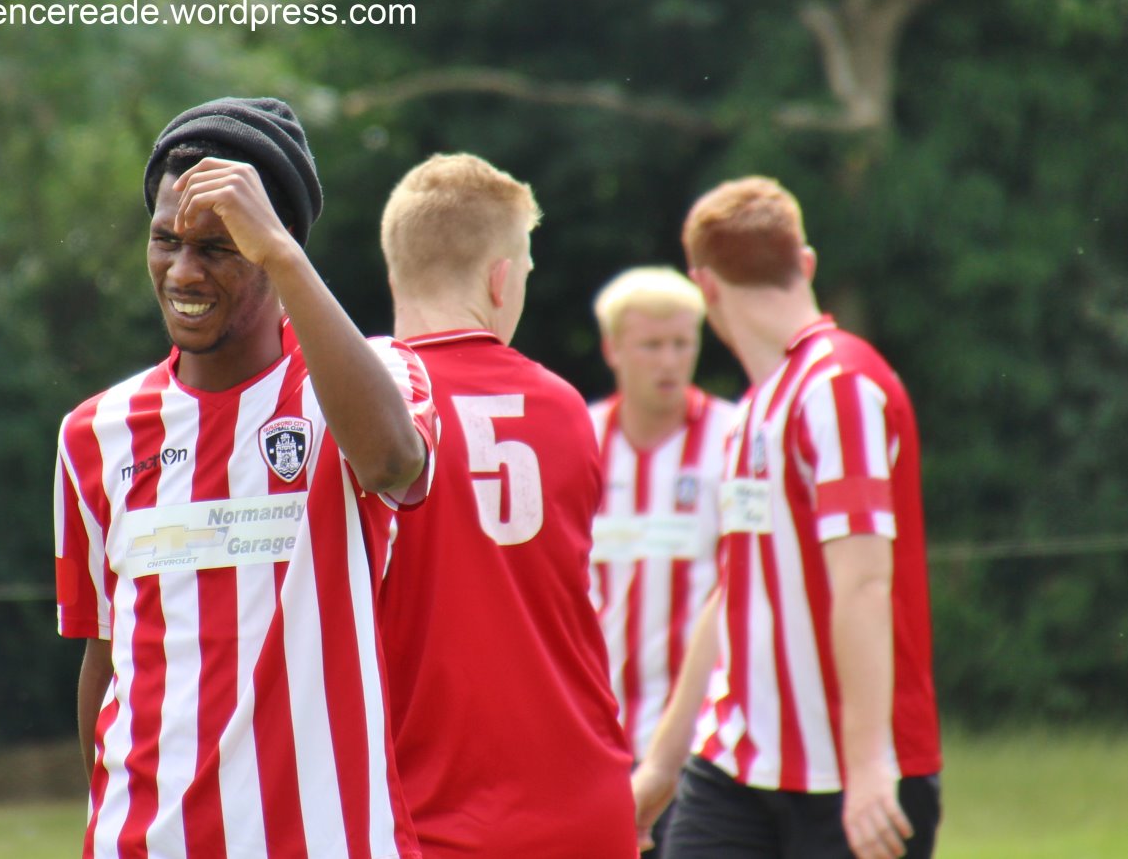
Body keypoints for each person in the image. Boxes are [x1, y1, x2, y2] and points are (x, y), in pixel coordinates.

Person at [53, 97, 438, 859]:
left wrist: (284, 258)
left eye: (218, 247)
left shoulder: (370, 381)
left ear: (273, 244)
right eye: (165, 240)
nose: (182, 271)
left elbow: (394, 462)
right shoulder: (93, 434)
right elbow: (105, 655)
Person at [632, 176, 942, 859]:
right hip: (737, 767)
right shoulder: (754, 409)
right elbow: (735, 587)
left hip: (851, 779)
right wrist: (661, 765)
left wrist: (867, 765)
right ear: (805, 263)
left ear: (704, 287)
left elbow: (863, 582)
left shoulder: (838, 387)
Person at [375, 153, 639, 858]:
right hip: (585, 805)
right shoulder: (563, 406)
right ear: (500, 279)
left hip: (426, 810)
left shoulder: (358, 415)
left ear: (395, 273)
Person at [587, 266, 735, 858]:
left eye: (682, 343)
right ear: (613, 349)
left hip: (704, 743)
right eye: (651, 345)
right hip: (595, 737)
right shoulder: (579, 437)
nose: (669, 361)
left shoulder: (731, 438)